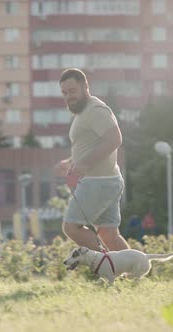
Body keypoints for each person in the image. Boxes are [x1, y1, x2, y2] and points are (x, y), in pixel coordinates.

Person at [53, 68, 130, 252]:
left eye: (72, 91)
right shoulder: (83, 112)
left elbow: (115, 139)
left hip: (98, 182)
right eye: (64, 93)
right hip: (107, 181)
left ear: (85, 86)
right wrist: (71, 162)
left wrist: (84, 164)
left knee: (71, 227)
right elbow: (89, 146)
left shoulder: (95, 109)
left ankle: (106, 266)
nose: (68, 97)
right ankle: (134, 273)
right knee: (109, 235)